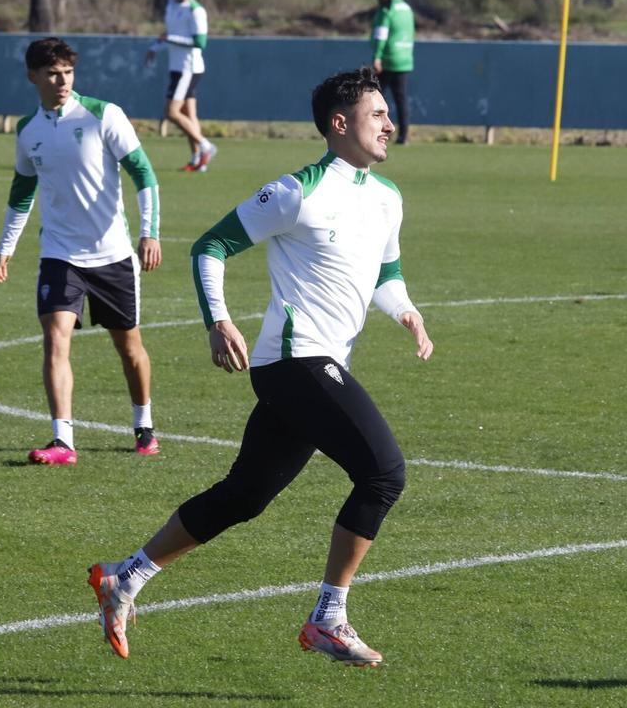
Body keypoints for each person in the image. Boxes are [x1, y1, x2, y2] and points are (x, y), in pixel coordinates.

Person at [88, 67, 434, 666]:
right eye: (378, 114)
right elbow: (210, 247)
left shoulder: (387, 198)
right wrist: (218, 320)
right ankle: (328, 616)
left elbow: (387, 273)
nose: (390, 123)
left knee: (245, 495)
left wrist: (407, 312)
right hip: (293, 362)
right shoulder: (298, 191)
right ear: (340, 123)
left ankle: (127, 576)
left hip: (317, 366)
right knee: (384, 474)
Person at [0, 38, 164, 465]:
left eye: (67, 71)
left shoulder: (104, 115)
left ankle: (144, 423)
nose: (61, 80)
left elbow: (144, 174)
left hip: (113, 254)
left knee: (129, 348)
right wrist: (4, 248)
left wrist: (150, 233)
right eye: (52, 72)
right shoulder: (28, 130)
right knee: (55, 339)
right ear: (33, 77)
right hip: (60, 254)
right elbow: (22, 191)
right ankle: (63, 440)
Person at [146, 0, 218, 172]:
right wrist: (155, 47)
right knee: (188, 115)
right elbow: (171, 35)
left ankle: (206, 146)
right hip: (176, 68)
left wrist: (169, 40)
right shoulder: (171, 5)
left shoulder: (196, 11)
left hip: (189, 69)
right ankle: (197, 160)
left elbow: (200, 43)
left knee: (171, 112)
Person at [369, 0, 415, 145]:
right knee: (401, 99)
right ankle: (404, 135)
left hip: (388, 59)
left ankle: (374, 133)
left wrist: (377, 57)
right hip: (405, 59)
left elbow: (381, 35)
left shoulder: (386, 10)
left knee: (374, 98)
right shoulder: (406, 9)